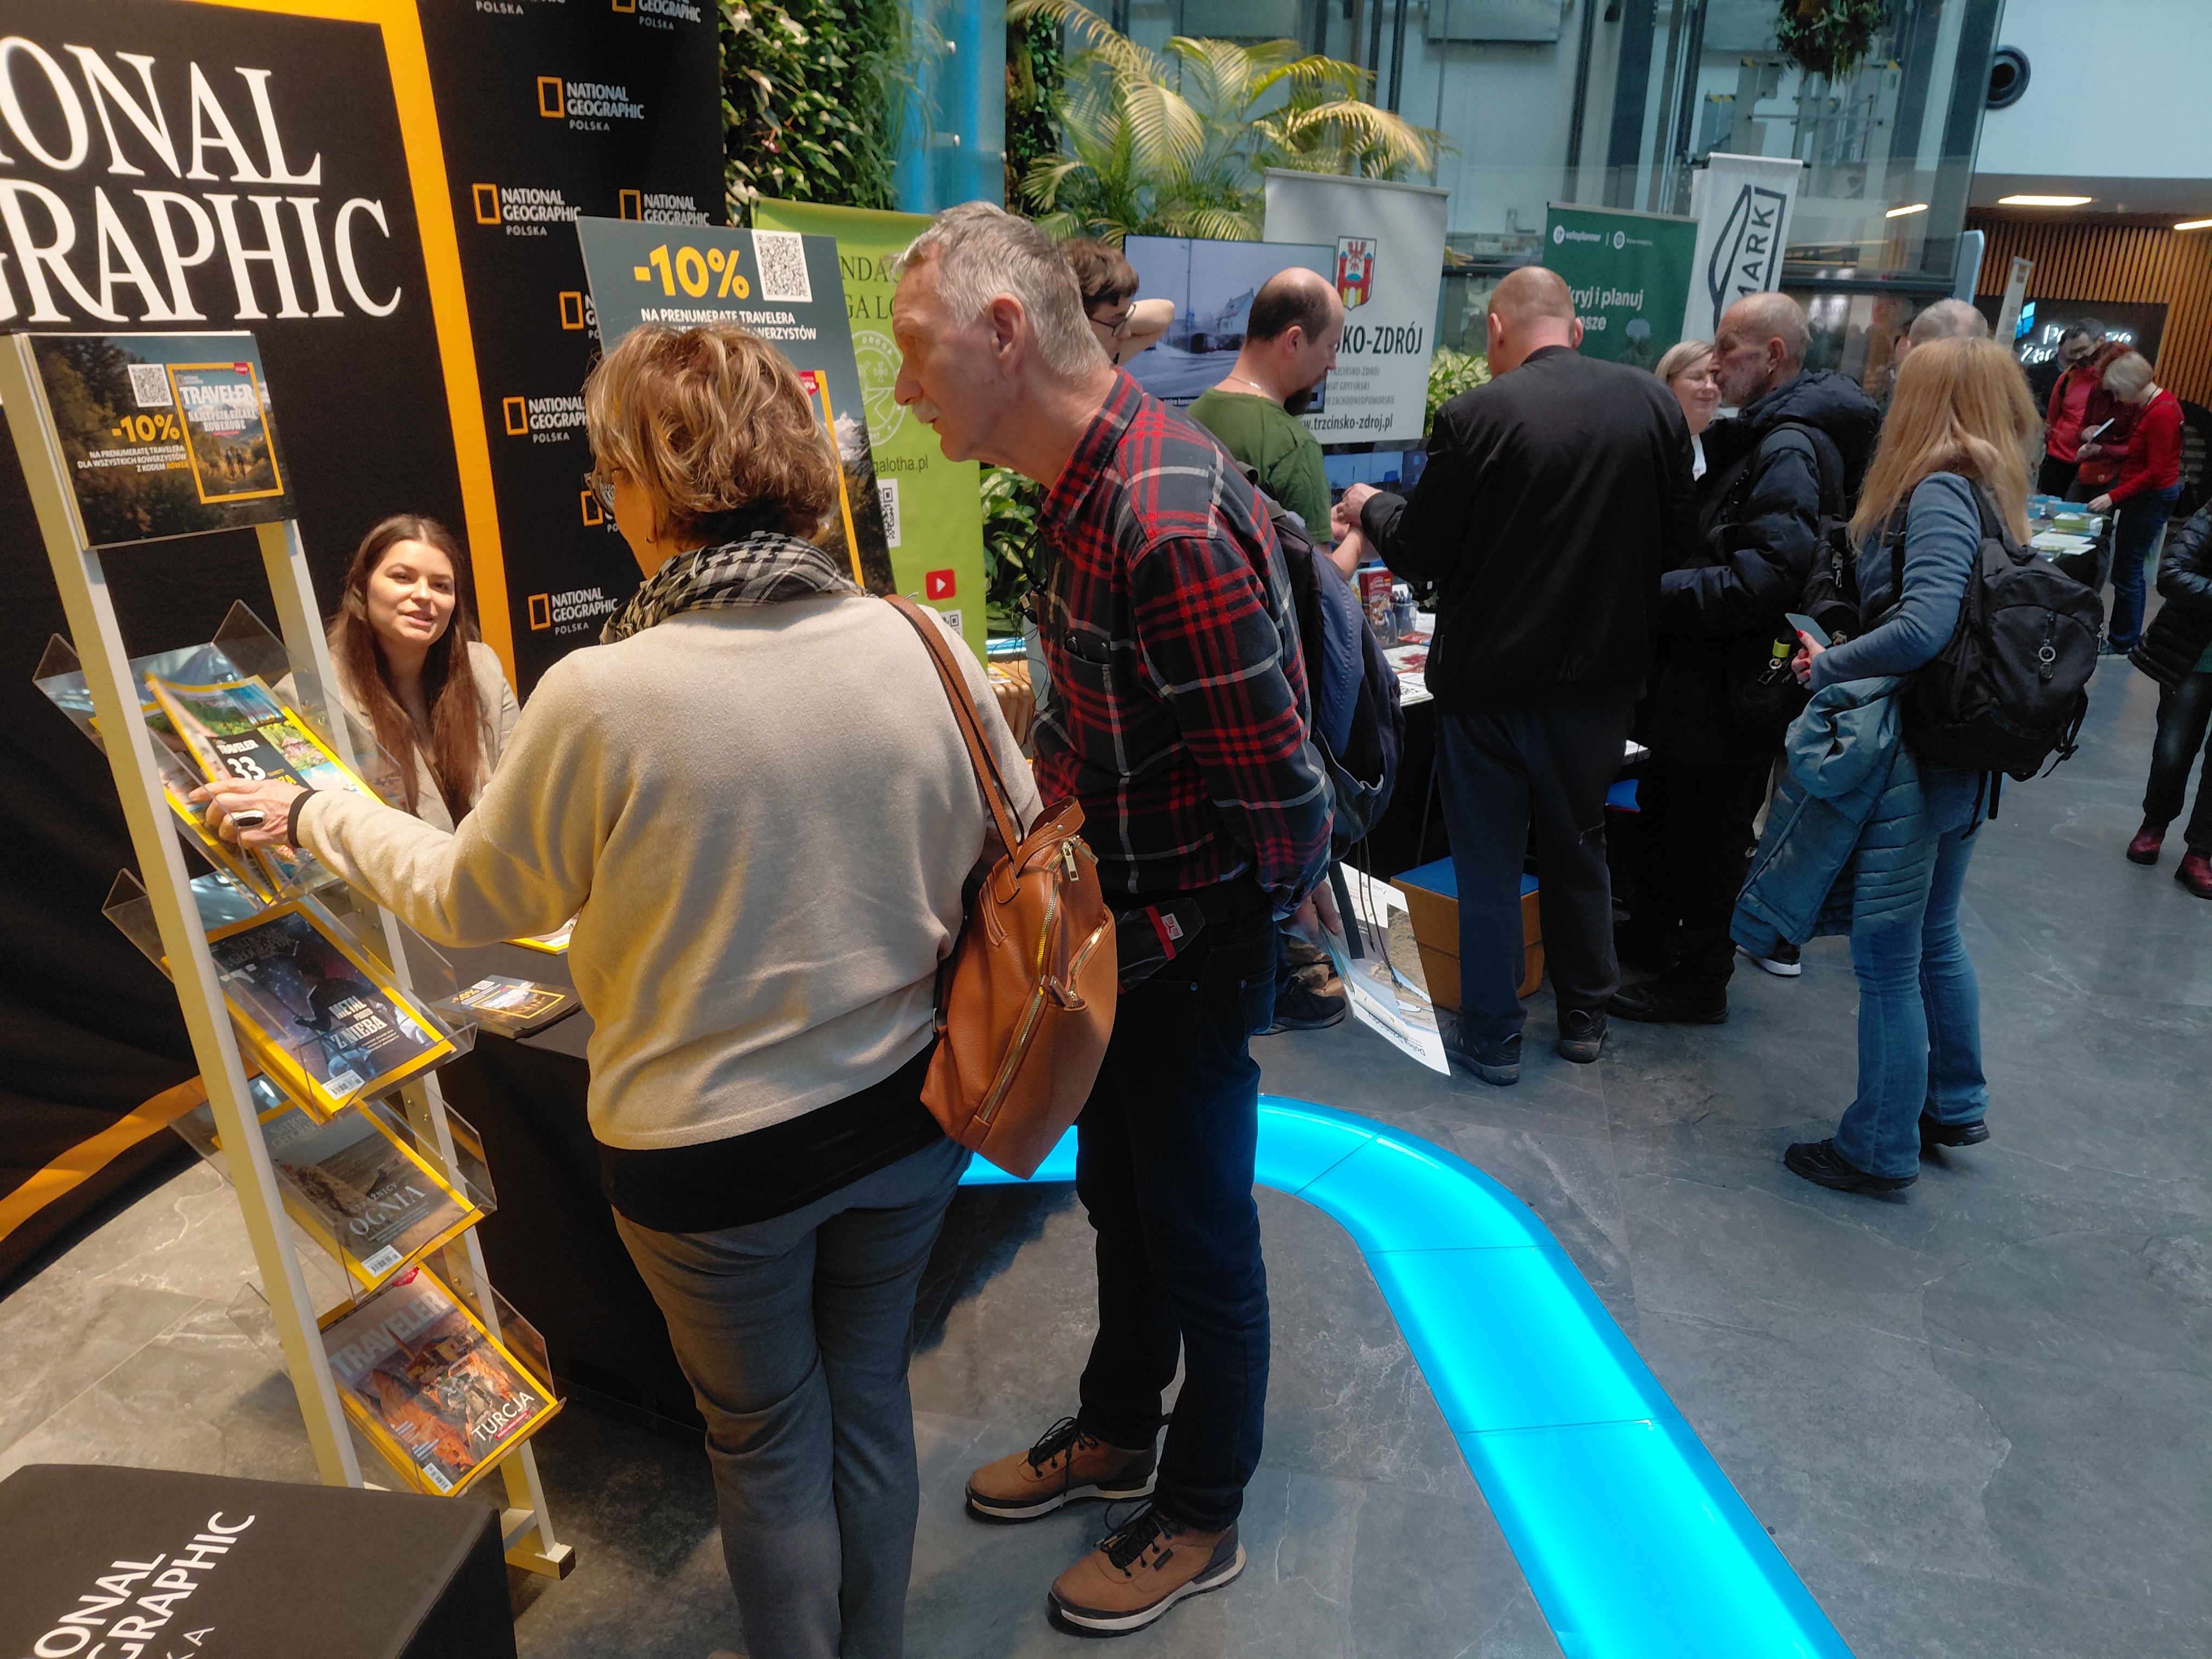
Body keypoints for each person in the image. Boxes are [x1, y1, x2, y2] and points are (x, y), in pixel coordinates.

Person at [202, 322, 1037, 1659]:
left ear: (646, 484)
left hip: (708, 1161)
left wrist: (317, 813)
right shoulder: (918, 641)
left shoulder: (604, 691)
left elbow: (470, 901)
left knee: (765, 1444)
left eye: (610, 472)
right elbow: (1012, 842)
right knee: (870, 1403)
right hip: (906, 1114)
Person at [891, 202, 1330, 1635]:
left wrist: (1215, 945)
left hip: (1184, 954)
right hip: (1120, 941)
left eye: (916, 347)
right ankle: (1119, 1431)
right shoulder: (1089, 490)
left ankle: (1202, 1510)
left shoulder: (1165, 513)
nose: (902, 384)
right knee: (1126, 1211)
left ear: (1002, 333)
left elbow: (1283, 804)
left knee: (1199, 1236)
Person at [1335, 265, 1696, 1081]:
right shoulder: (1652, 405)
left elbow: (1424, 549)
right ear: (1576, 328)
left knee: (1489, 862)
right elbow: (1678, 542)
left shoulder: (1475, 415)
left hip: (1488, 690)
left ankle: (1494, 1037)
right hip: (1601, 686)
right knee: (1580, 843)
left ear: (1497, 329)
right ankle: (1584, 1018)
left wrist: (1369, 506)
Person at [1747, 337, 2039, 1194]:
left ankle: (1878, 1147)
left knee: (1886, 959)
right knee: (1935, 935)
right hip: (1962, 752)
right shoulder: (1992, 489)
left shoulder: (1939, 489)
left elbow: (1924, 627)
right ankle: (1952, 1102)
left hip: (1915, 757)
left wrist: (1827, 665)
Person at [1612, 292, 1880, 1022]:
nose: (1716, 360)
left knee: (1710, 829)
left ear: (1774, 355)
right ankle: (1654, 939)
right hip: (1714, 678)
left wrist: (1652, 590)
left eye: (1730, 347)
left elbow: (1767, 576)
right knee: (1674, 809)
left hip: (1729, 683)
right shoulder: (1773, 437)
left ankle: (1699, 979)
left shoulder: (1788, 446)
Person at [316, 516, 518, 831]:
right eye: (402, 578)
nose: (424, 595)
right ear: (362, 586)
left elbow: (525, 792)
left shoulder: (483, 670)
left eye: (441, 585)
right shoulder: (318, 694)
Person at [1188, 267, 1345, 569]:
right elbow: (1324, 588)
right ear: (1294, 341)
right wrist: (1360, 540)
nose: (1333, 363)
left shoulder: (1189, 418)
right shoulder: (1294, 447)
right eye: (1331, 347)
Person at [2125, 502, 2212, 897]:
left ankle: (2200, 852)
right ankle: (2155, 824)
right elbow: (2172, 574)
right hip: (2193, 657)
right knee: (2173, 751)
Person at [2085, 349, 2184, 654]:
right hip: (2147, 496)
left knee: (2128, 571)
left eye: (2117, 391)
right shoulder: (2158, 405)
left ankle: (2123, 640)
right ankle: (2123, 638)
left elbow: (2155, 472)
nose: (2116, 398)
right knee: (2127, 569)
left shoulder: (2161, 412)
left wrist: (2112, 496)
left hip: (2150, 498)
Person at [1061, 237, 1172, 368]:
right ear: (1077, 322)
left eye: (1125, 320)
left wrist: (1119, 322)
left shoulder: (1101, 362)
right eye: (1116, 322)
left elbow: (1166, 312)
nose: (1127, 334)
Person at [2037, 321, 2105, 497]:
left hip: (2094, 464)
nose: (2079, 357)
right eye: (2074, 353)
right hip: (2059, 459)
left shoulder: (2111, 379)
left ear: (2100, 342)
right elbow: (2052, 417)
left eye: (2083, 349)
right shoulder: (2068, 377)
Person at [1654, 338, 1720, 479]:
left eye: (1716, 378)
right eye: (1697, 378)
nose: (1709, 387)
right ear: (1669, 383)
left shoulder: (1730, 444)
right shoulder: (1649, 441)